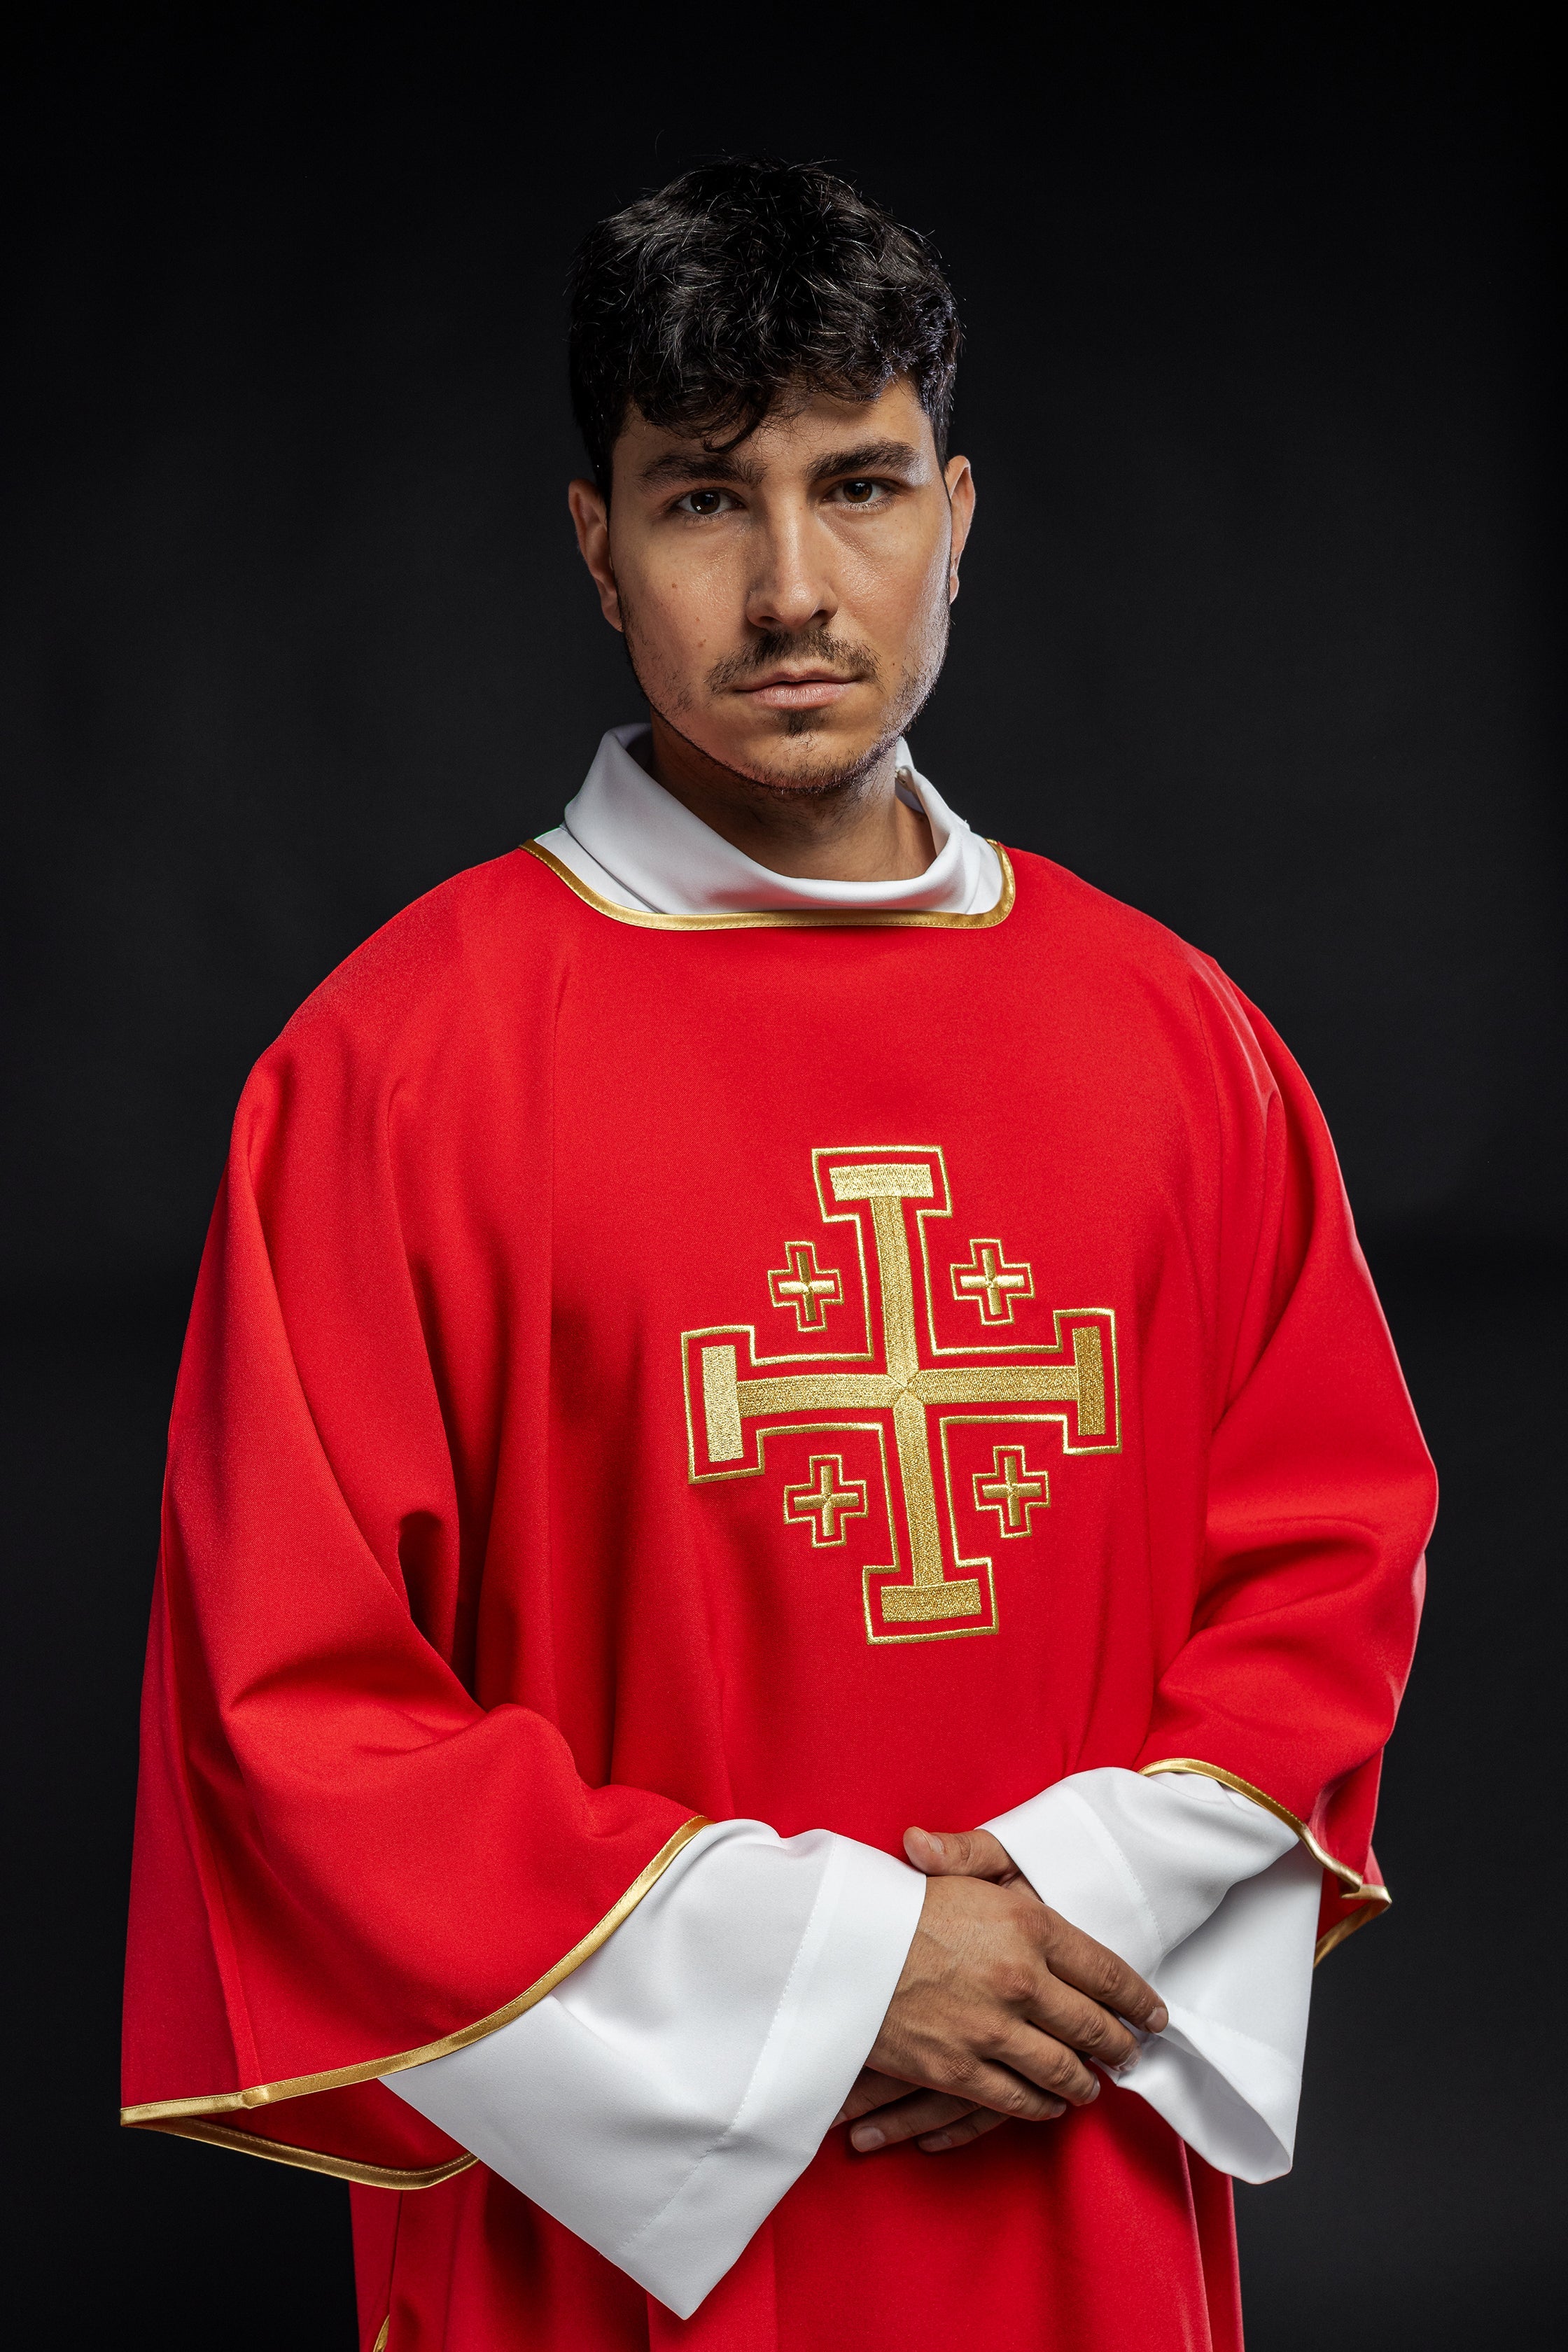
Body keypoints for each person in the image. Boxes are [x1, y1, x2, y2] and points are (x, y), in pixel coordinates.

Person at [121, 160, 1434, 2351]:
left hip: (1066, 2127)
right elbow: (301, 1702)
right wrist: (841, 1980)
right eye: (706, 501)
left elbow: (1325, 1564)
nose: (796, 586)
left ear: (962, 514)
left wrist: (1063, 1915)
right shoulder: (396, 1069)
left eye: (864, 488)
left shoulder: (1179, 1037)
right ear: (595, 548)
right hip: (613, 2231)